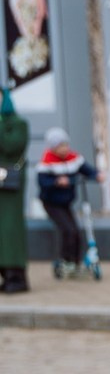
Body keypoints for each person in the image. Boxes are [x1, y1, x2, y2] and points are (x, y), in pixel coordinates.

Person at [37, 126, 98, 277]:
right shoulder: (47, 162)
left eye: (65, 145)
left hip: (66, 202)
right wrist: (57, 181)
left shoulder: (74, 158)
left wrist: (97, 175)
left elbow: (87, 170)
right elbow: (42, 181)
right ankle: (65, 260)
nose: (64, 149)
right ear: (53, 148)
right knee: (67, 229)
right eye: (60, 146)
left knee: (76, 231)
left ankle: (76, 261)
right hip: (51, 203)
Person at [0, 88, 30, 294]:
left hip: (10, 185)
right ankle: (5, 274)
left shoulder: (19, 124)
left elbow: (12, 146)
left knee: (10, 228)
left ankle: (16, 274)